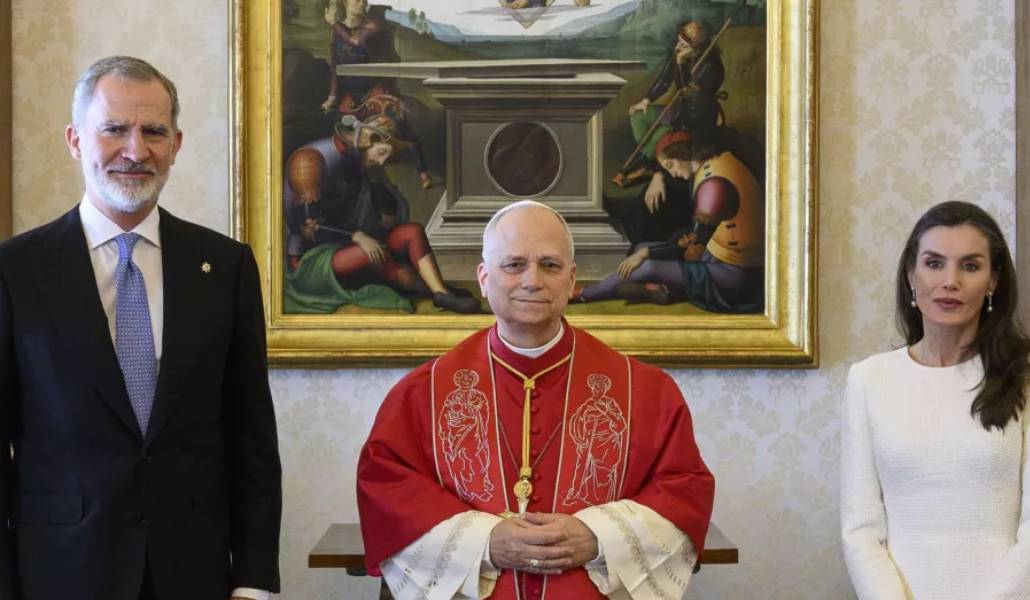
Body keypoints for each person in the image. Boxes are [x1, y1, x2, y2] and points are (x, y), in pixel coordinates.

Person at [0, 56, 282, 600]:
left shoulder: (224, 267)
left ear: (175, 144)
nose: (136, 150)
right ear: (76, 141)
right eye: (114, 129)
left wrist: (253, 581)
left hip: (193, 572)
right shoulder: (16, 270)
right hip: (59, 573)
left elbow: (252, 440)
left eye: (153, 131)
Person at [356, 200, 714, 599]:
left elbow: (684, 490)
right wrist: (484, 541)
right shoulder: (422, 392)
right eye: (513, 265)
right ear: (483, 277)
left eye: (550, 265)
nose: (532, 280)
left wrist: (599, 536)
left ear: (571, 278)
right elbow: (387, 489)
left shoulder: (647, 391)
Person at [841, 201, 1030, 599]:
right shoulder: (869, 380)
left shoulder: (1024, 378)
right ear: (911, 274)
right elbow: (861, 531)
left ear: (994, 280)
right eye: (934, 263)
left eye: (971, 266)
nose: (950, 281)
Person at [283, 114, 480, 314]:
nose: (383, 161)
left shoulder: (364, 163)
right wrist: (357, 236)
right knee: (375, 255)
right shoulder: (309, 162)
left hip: (351, 244)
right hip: (312, 259)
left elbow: (388, 223)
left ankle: (440, 292)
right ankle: (434, 291)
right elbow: (310, 228)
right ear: (365, 141)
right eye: (381, 153)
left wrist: (377, 182)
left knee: (412, 232)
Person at [582, 130, 763, 313]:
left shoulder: (712, 187)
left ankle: (584, 294)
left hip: (734, 275)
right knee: (641, 249)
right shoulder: (715, 161)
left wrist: (647, 253)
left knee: (647, 264)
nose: (672, 173)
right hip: (715, 255)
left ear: (682, 155)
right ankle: (664, 289)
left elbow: (693, 246)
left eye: (670, 166)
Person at [321, 0, 432, 189]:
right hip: (352, 95)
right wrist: (332, 96)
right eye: (357, 1)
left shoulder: (372, 25)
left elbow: (356, 42)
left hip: (376, 89)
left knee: (399, 124)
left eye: (365, 1)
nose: (363, 4)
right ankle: (356, 176)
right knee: (340, 127)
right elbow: (335, 68)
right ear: (345, 3)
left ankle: (422, 170)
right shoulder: (337, 32)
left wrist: (334, 23)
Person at [616, 21, 725, 187]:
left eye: (682, 44)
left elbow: (687, 92)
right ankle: (653, 161)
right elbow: (664, 80)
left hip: (697, 116)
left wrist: (682, 65)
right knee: (638, 116)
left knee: (659, 137)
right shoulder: (679, 54)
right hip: (678, 110)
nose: (677, 47)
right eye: (678, 42)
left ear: (695, 48)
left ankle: (635, 168)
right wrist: (646, 100)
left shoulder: (711, 66)